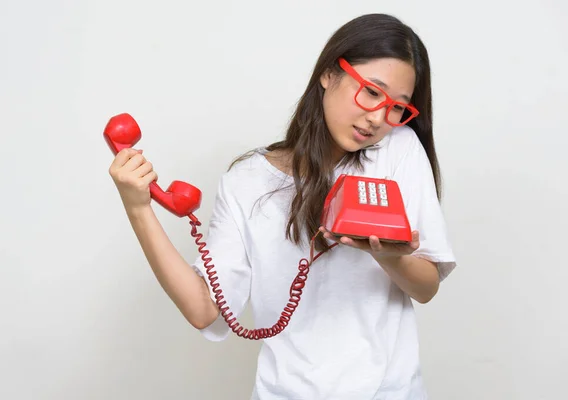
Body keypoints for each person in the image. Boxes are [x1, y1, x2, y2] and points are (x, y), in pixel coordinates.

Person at [108, 13, 456, 400]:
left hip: (388, 392)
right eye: (371, 92)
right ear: (328, 72)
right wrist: (139, 207)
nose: (378, 118)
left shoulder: (398, 149)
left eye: (396, 107)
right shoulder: (247, 181)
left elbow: (425, 288)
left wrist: (389, 257)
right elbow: (204, 310)